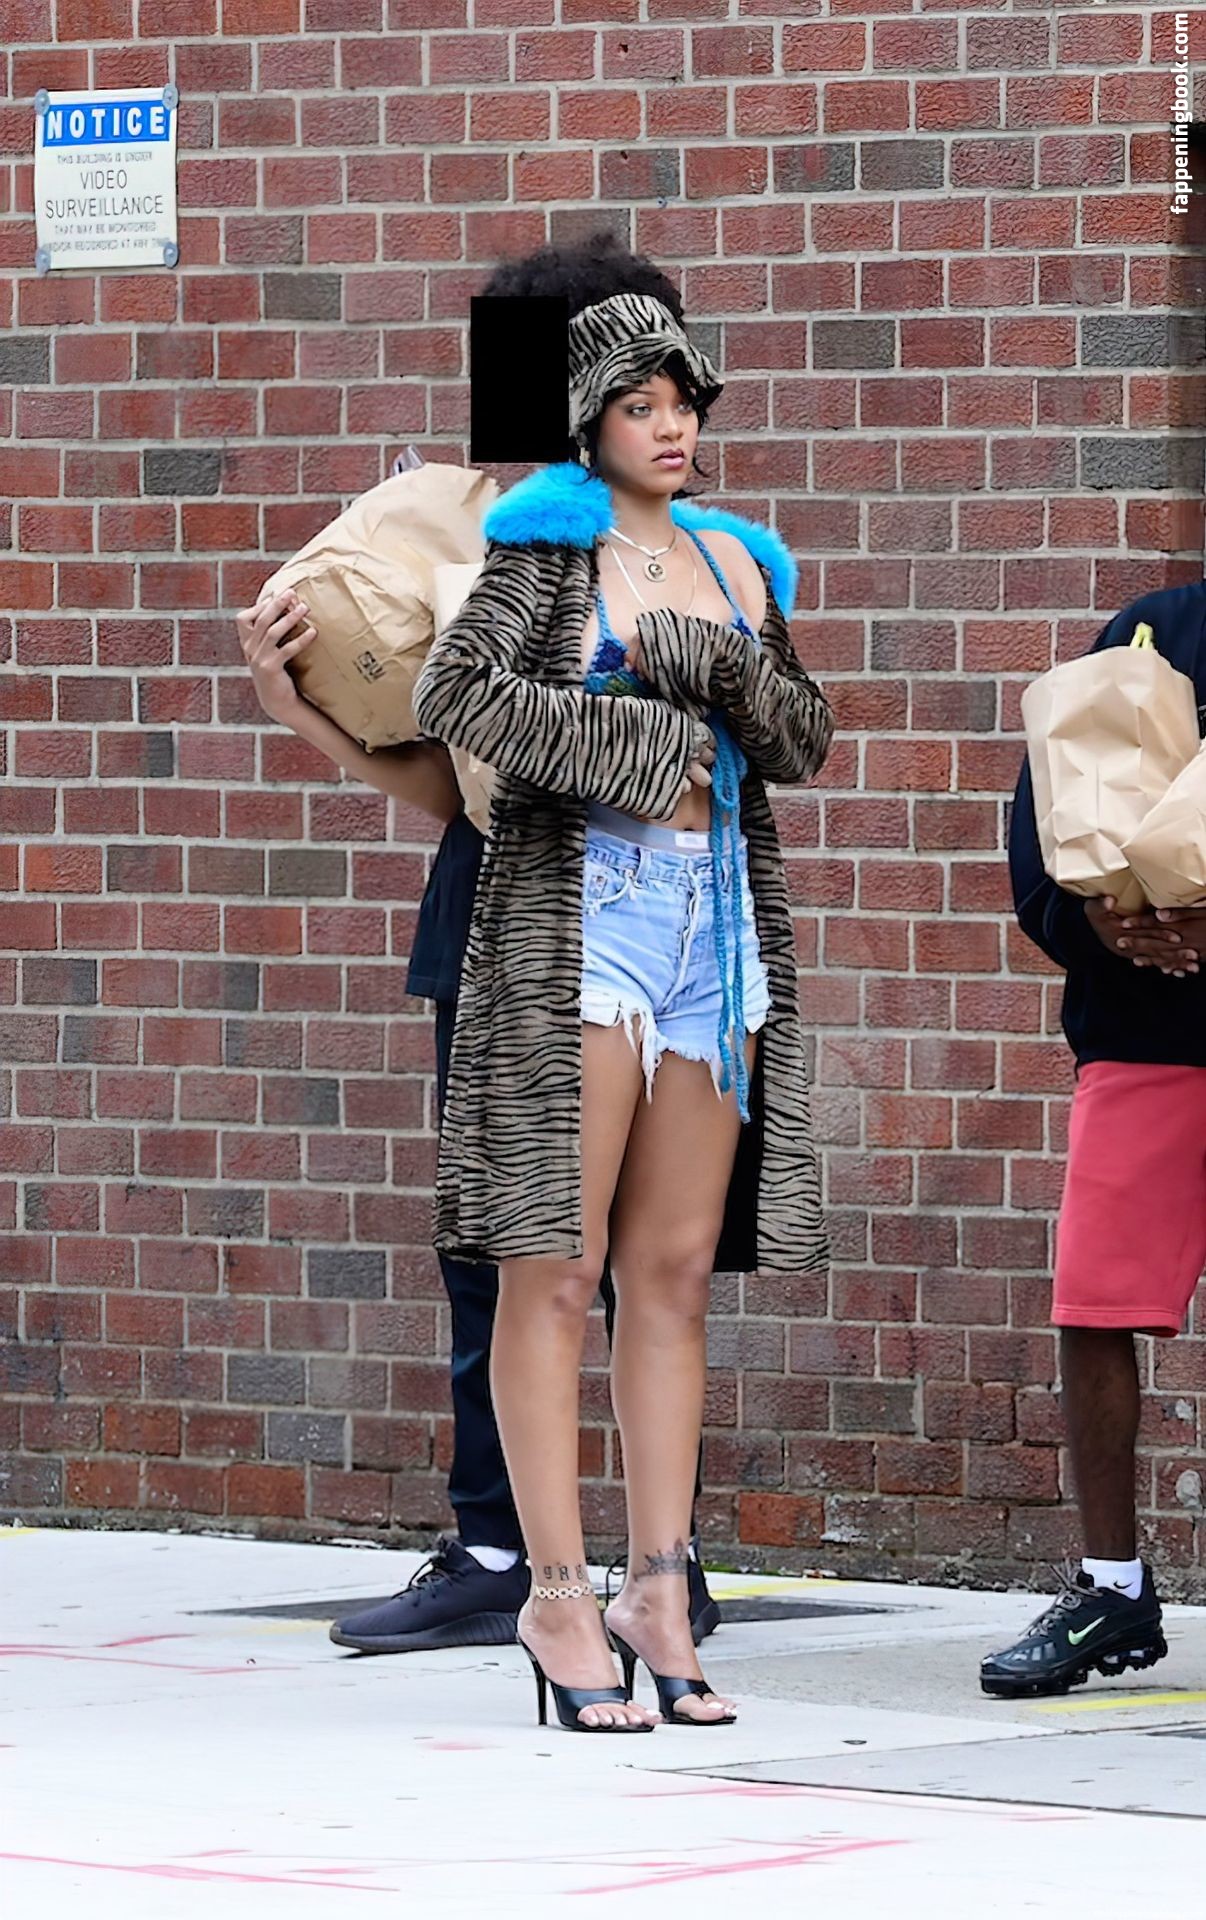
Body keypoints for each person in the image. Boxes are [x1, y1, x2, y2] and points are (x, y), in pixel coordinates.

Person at [235, 252, 723, 1660]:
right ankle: (503, 1552)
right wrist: (303, 711)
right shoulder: (489, 543)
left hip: (643, 930)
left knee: (640, 1264)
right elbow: (460, 790)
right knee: (497, 1254)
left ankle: (658, 1568)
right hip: (495, 909)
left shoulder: (675, 557)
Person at [412, 240, 833, 1731]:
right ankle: (553, 1592)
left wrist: (720, 673)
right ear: (587, 417)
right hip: (580, 926)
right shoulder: (542, 551)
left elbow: (801, 739)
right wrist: (642, 741)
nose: (671, 427)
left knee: (670, 1270)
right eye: (641, 405)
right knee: (555, 1263)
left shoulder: (735, 561)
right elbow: (454, 694)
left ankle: (661, 1582)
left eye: (684, 402)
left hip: (712, 933)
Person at [982, 581, 1206, 1699]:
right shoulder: (1151, 631)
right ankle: (1112, 1586)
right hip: (1145, 1032)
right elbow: (1044, 820)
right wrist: (1098, 921)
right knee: (1097, 1303)